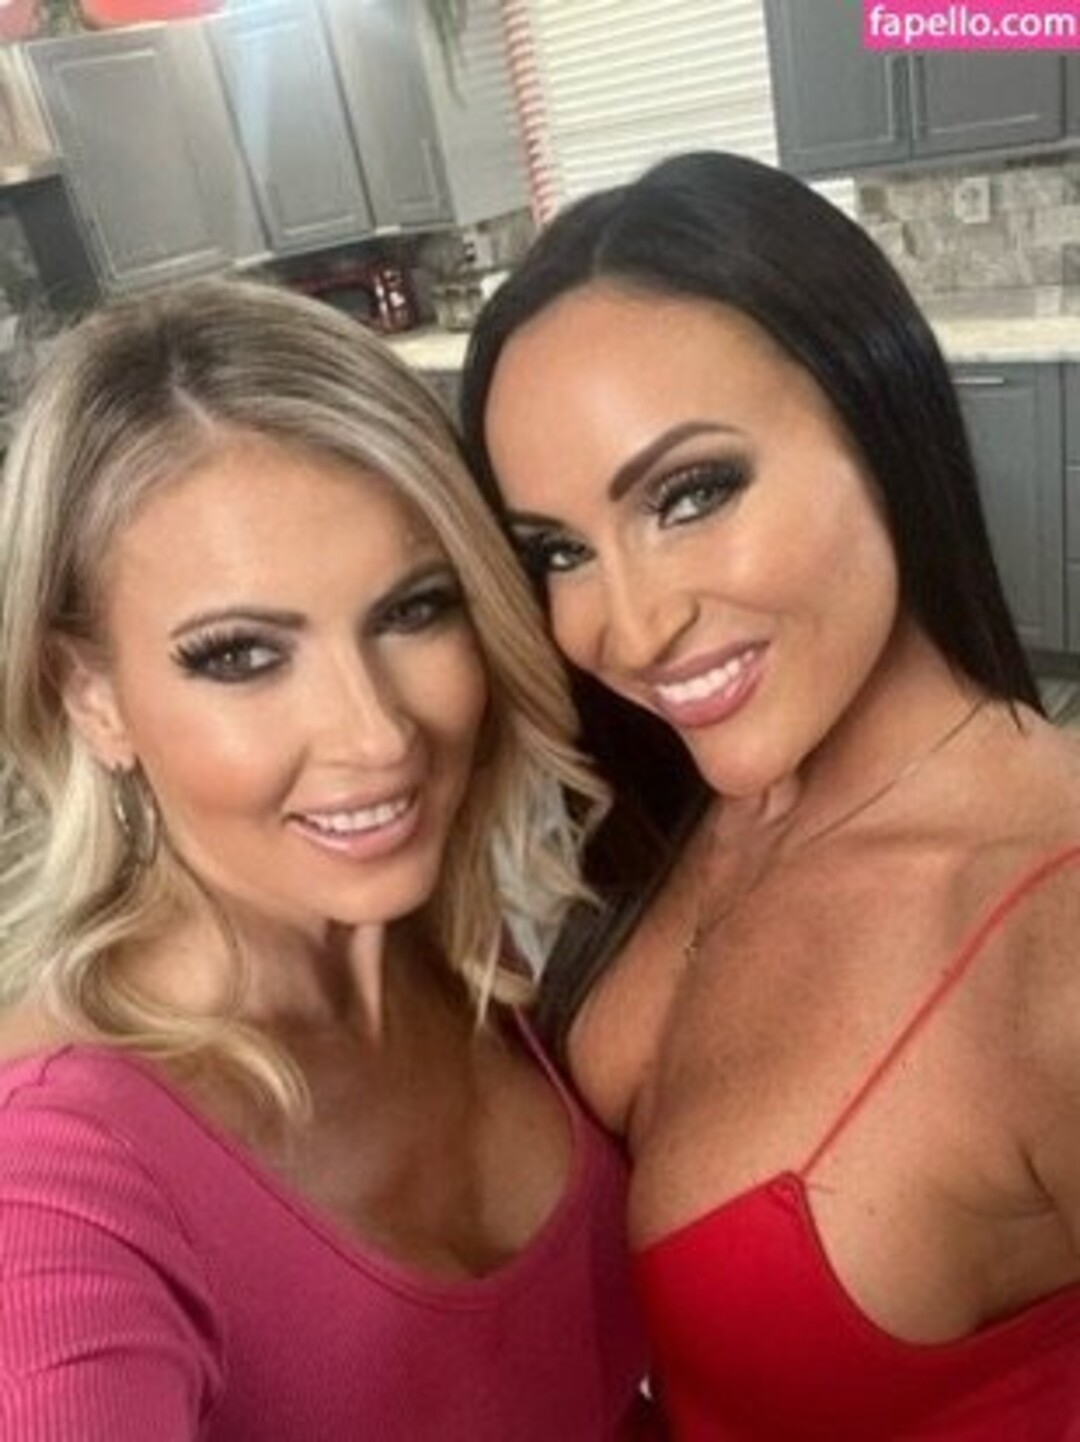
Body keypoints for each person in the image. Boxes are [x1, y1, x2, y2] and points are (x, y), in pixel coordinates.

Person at [460, 150, 1080, 1439]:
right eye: (560, 550)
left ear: (880, 424)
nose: (631, 627)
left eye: (692, 493)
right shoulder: (695, 805)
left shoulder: (1054, 933)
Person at [0, 278, 655, 1441]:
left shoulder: (470, 950)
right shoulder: (52, 1172)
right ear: (90, 693)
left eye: (414, 610)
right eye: (241, 654)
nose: (378, 735)